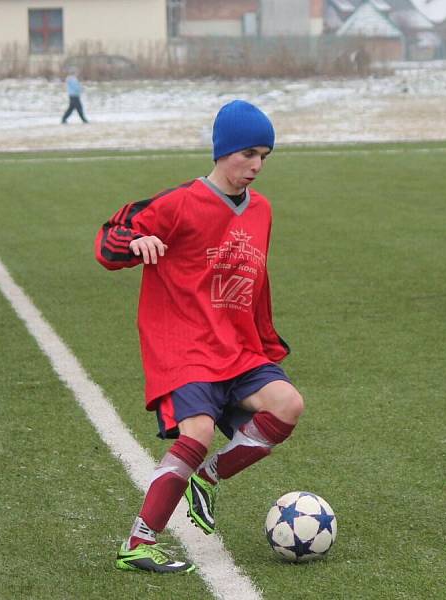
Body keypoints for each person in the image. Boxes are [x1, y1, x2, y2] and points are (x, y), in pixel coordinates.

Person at [95, 100, 304, 573]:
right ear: (223, 150)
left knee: (288, 405)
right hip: (185, 347)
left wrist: (265, 341)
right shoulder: (179, 203)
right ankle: (139, 541)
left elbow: (256, 280)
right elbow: (108, 239)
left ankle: (205, 479)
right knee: (200, 431)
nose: (256, 165)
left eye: (264, 156)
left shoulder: (262, 211)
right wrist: (135, 242)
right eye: (248, 153)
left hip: (240, 348)